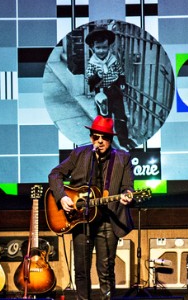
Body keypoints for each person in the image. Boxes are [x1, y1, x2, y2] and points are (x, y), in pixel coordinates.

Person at [48, 115, 135, 300]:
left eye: (104, 137)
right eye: (96, 137)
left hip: (108, 220)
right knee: (81, 271)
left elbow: (128, 187)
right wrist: (62, 197)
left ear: (111, 139)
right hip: (81, 221)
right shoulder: (80, 154)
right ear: (91, 138)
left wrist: (128, 196)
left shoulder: (122, 158)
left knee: (105, 271)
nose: (100, 141)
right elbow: (55, 174)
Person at [85, 25, 136, 150]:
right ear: (92, 48)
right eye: (98, 48)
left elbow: (120, 71)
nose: (101, 51)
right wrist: (97, 76)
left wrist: (122, 81)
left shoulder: (113, 59)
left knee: (120, 116)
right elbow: (89, 80)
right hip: (102, 93)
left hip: (115, 90)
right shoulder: (92, 63)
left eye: (104, 47)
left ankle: (124, 140)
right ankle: (105, 142)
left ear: (109, 47)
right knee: (104, 119)